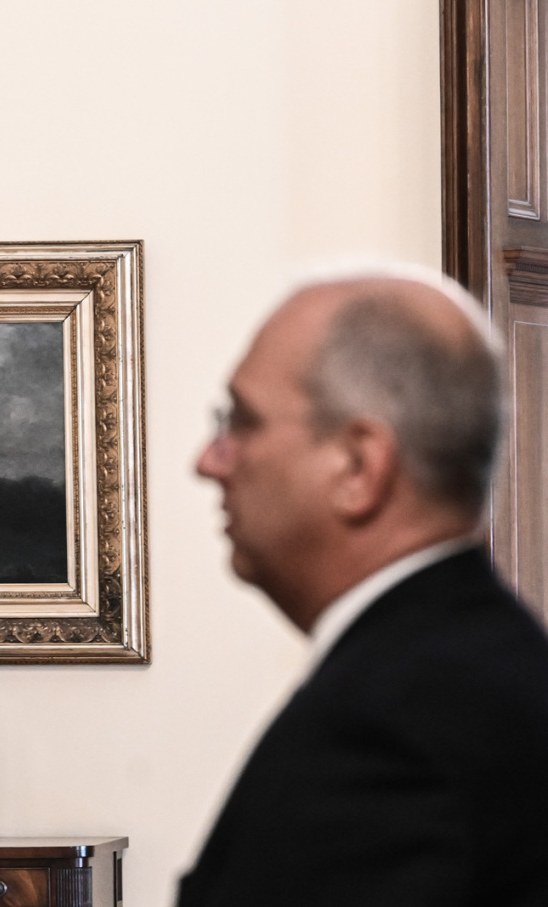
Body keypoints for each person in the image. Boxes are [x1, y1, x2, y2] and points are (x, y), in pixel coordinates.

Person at [180, 267, 548, 905]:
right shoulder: (488, 662)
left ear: (358, 466)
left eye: (242, 421)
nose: (208, 461)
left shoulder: (392, 726)